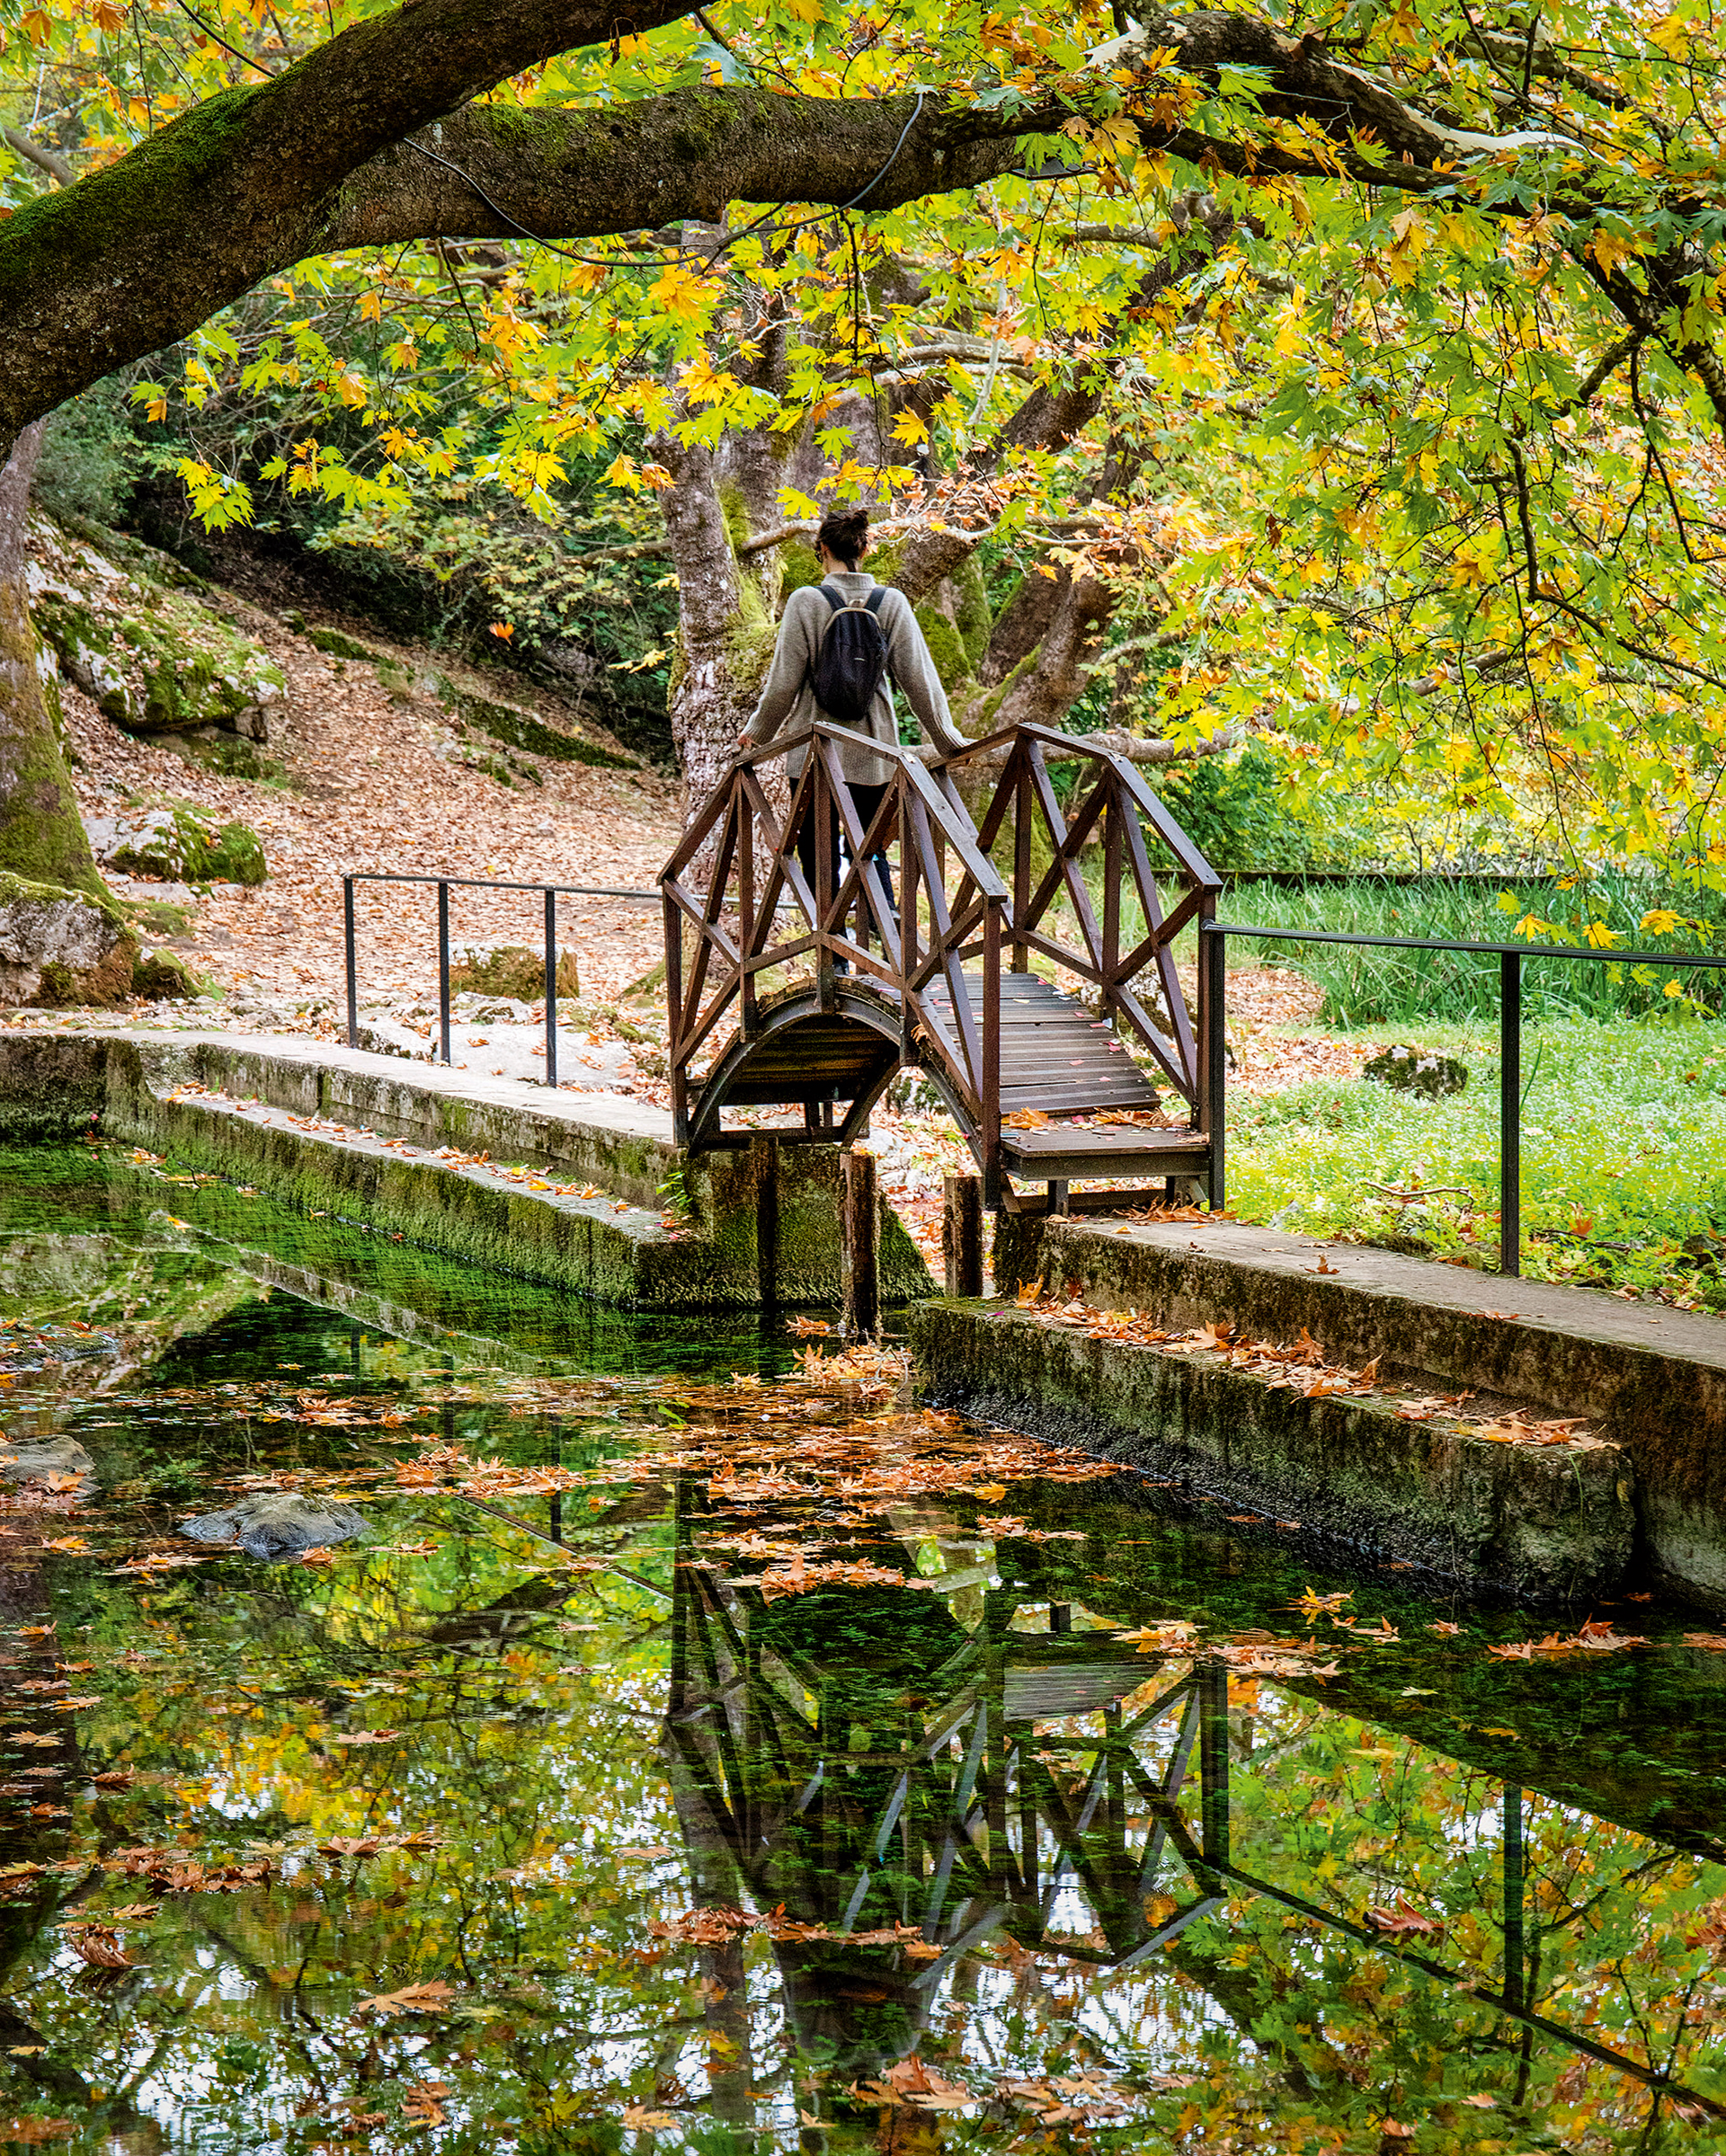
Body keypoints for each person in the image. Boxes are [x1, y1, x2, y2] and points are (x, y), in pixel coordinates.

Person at [739, 506, 967, 915]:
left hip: (813, 754)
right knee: (870, 845)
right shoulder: (890, 602)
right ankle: (887, 925)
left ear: (822, 548)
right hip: (874, 749)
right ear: (866, 547)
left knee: (816, 852)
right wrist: (946, 739)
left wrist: (758, 733)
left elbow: (783, 685)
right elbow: (920, 681)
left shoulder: (806, 601)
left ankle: (834, 949)